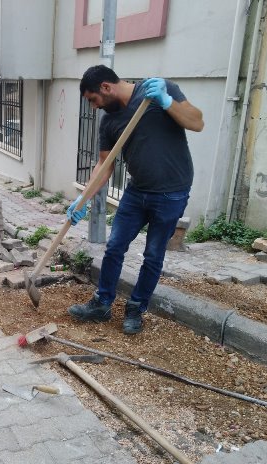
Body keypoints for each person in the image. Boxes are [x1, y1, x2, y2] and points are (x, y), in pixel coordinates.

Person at [67, 65, 204, 334]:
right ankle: (102, 303)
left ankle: (136, 308)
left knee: (153, 255)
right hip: (136, 190)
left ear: (106, 87)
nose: (93, 108)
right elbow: (104, 165)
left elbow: (196, 122)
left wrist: (167, 102)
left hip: (171, 192)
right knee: (115, 246)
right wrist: (82, 199)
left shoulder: (158, 93)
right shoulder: (109, 121)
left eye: (93, 100)